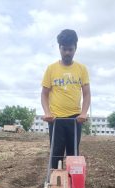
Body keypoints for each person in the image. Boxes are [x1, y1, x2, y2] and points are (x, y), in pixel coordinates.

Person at [41, 29, 91, 168]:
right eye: (64, 49)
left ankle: (72, 185)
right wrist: (47, 112)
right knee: (56, 153)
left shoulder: (81, 69)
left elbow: (86, 93)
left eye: (70, 49)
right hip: (56, 119)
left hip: (75, 119)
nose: (67, 53)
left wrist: (83, 113)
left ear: (75, 48)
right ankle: (55, 183)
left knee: (73, 154)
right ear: (59, 48)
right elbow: (44, 93)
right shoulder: (51, 69)